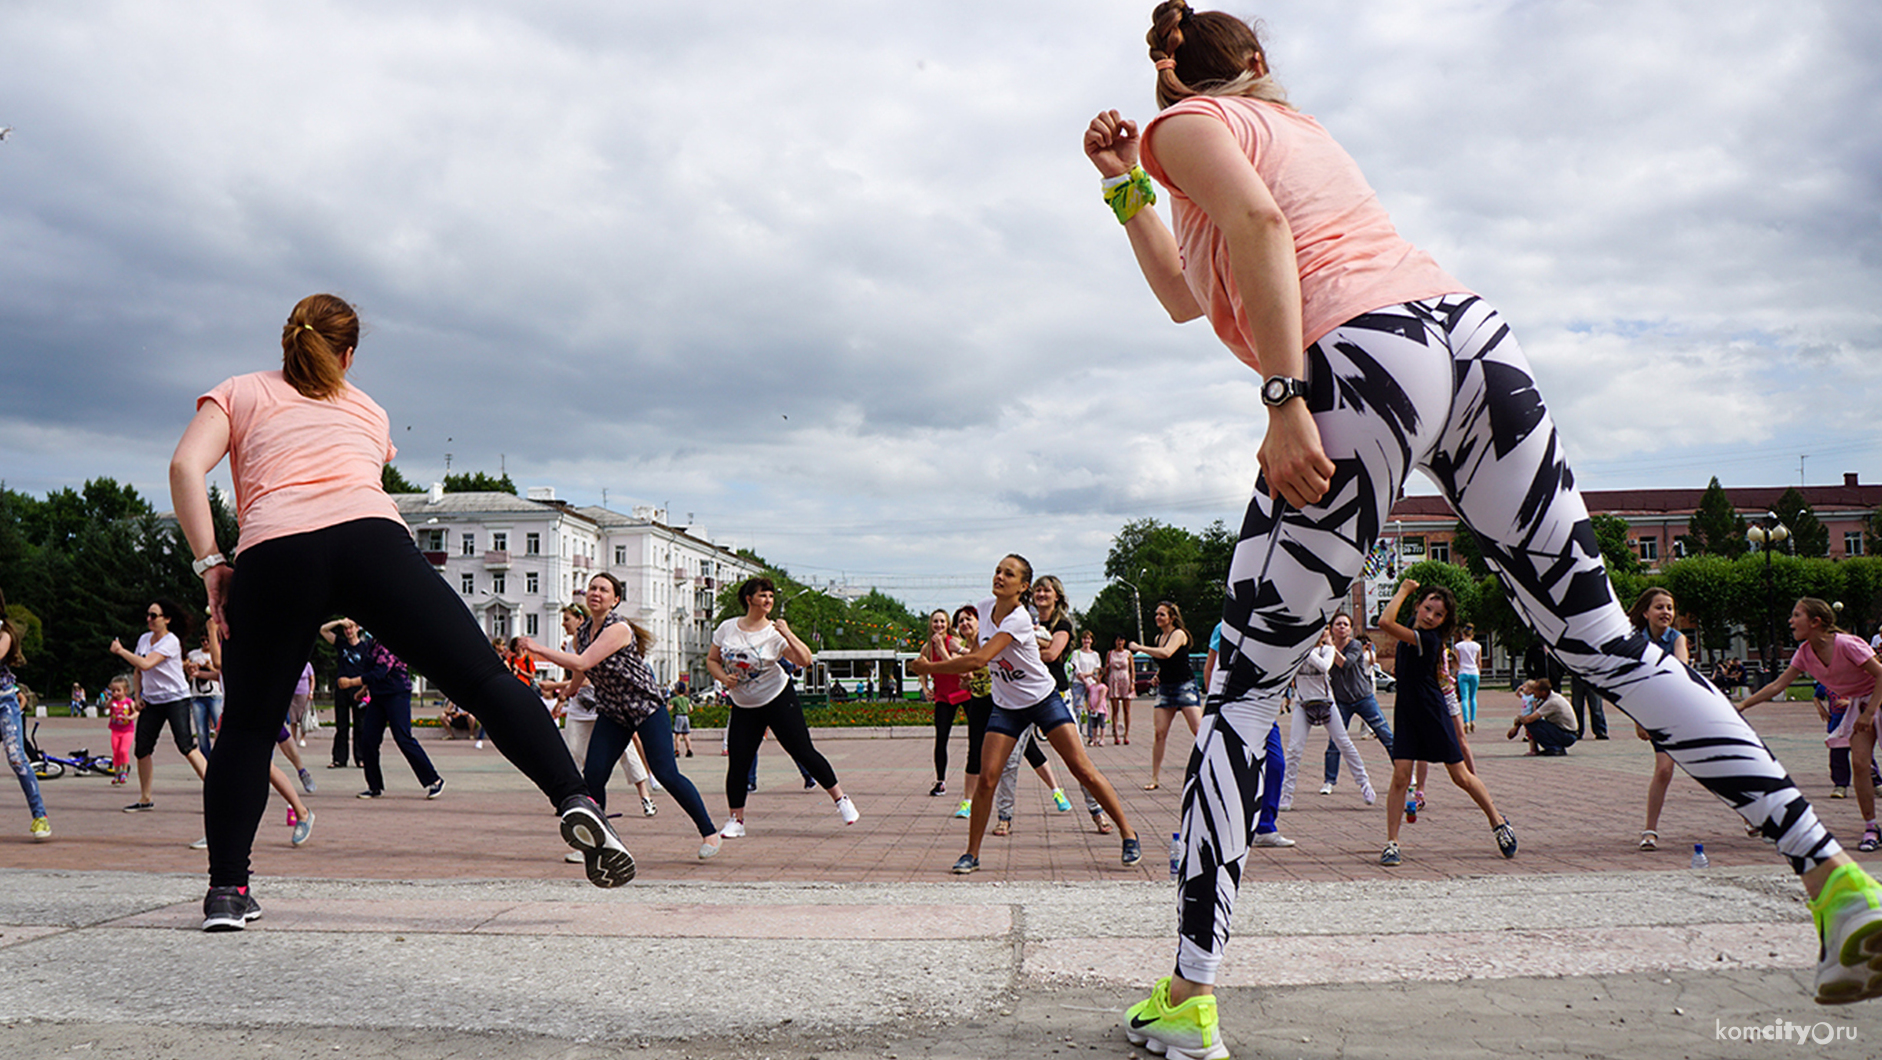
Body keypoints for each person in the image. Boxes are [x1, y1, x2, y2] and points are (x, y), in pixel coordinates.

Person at [1088, 7, 1882, 1044]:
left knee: (1241, 687)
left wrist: (1286, 397)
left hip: (1356, 354)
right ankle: (1832, 874)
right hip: (1469, 338)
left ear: (1196, 77)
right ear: (1260, 62)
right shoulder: (1290, 134)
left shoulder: (1190, 121)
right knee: (1599, 637)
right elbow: (1191, 295)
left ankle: (1188, 994)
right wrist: (1123, 187)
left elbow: (1262, 235)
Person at [168, 293, 632, 931]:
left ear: (286, 342)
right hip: (371, 541)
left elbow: (186, 466)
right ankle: (575, 797)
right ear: (349, 354)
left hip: (276, 553)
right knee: (484, 681)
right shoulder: (367, 410)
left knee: (247, 727)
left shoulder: (240, 391)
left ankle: (227, 891)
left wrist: (210, 562)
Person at [911, 556, 1139, 873]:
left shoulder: (1018, 618)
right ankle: (971, 854)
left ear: (1023, 586)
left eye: (1009, 574)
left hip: (1043, 699)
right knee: (988, 778)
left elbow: (980, 659)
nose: (1000, 577)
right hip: (1006, 707)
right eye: (997, 571)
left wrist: (930, 668)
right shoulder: (983, 608)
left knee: (1081, 769)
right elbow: (975, 652)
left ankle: (1128, 834)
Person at [523, 574, 722, 862]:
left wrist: (538, 648)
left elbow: (582, 662)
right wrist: (565, 692)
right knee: (593, 776)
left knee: (666, 773)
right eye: (592, 588)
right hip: (613, 712)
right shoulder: (582, 634)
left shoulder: (618, 628)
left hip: (645, 708)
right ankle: (596, 844)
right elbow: (581, 672)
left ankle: (710, 833)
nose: (596, 593)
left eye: (604, 590)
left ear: (615, 599)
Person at [1377, 580, 1515, 868]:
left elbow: (1384, 622)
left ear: (1443, 621)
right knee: (1401, 776)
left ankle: (1498, 821)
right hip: (1406, 711)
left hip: (1431, 711)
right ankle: (1392, 842)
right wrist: (1407, 598)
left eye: (1438, 615)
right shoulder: (1413, 626)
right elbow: (1393, 620)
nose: (1430, 616)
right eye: (1427, 608)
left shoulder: (1425, 639)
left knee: (1460, 776)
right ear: (1418, 607)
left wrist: (1403, 590)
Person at [707, 576, 857, 836]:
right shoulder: (727, 628)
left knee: (803, 751)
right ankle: (736, 821)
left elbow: (805, 659)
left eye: (771, 596)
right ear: (749, 598)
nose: (768, 600)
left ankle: (841, 799)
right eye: (763, 595)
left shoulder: (774, 633)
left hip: (778, 698)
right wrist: (723, 678)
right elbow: (711, 660)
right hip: (744, 705)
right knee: (739, 762)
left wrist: (787, 632)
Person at [1739, 598, 1882, 854]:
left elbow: (1881, 673)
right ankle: (1871, 827)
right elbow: (1777, 686)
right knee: (1860, 765)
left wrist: (1870, 711)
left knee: (1862, 764)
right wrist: (1741, 706)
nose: (1790, 621)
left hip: (1875, 701)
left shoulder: (1846, 644)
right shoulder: (1805, 652)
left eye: (1796, 615)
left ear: (1815, 622)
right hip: (1861, 706)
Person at [994, 575, 1106, 832]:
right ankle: (1005, 816)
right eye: (1038, 590)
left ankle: (1097, 811)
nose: (1041, 594)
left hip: (1056, 696)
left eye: (1047, 590)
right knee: (1010, 759)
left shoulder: (1062, 623)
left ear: (1057, 595)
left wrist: (1027, 645)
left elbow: (1052, 654)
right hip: (1023, 697)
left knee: (1078, 759)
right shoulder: (1023, 619)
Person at [110, 597, 208, 813]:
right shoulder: (145, 639)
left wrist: (120, 651)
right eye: (148, 615)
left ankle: (216, 793)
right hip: (152, 701)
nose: (149, 619)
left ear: (167, 620)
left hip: (175, 699)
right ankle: (145, 798)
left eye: (154, 616)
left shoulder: (170, 641)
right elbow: (138, 670)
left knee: (186, 746)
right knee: (142, 749)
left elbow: (146, 662)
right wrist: (137, 697)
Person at [1205, 621, 1292, 847]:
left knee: (1275, 764)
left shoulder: (1270, 622)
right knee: (1231, 767)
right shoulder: (1225, 626)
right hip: (1231, 706)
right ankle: (1225, 827)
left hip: (1262, 707)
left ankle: (1265, 827)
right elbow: (1211, 666)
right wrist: (1213, 705)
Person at [1278, 626, 1371, 809]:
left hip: (1327, 703)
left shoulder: (1327, 650)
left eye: (1324, 630)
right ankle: (1286, 794)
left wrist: (1304, 651)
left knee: (1343, 742)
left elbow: (1324, 666)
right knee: (1294, 749)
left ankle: (1364, 784)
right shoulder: (1296, 653)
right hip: (1303, 705)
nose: (1322, 633)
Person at [348, 633, 444, 801]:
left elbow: (380, 671)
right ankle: (374, 786)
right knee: (368, 740)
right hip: (378, 696)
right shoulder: (372, 643)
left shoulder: (390, 643)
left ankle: (433, 779)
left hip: (396, 694)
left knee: (403, 737)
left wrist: (350, 682)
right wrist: (364, 689)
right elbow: (369, 669)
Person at [1629, 587, 1687, 851]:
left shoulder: (1678, 639)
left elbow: (1679, 671)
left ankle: (1748, 817)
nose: (1666, 612)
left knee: (1712, 768)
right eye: (1660, 607)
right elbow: (1631, 686)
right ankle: (1649, 831)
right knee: (1664, 770)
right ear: (1645, 613)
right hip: (1658, 714)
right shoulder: (1635, 642)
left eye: (1670, 608)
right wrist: (1639, 720)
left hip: (1687, 709)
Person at [1131, 601, 1199, 790]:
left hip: (1184, 686)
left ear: (1172, 618)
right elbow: (1165, 662)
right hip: (1166, 689)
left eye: (1162, 614)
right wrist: (1157, 675)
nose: (1157, 617)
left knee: (1199, 731)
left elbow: (1167, 653)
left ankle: (1211, 770)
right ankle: (1154, 777)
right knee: (1160, 733)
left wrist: (1139, 647)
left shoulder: (1179, 634)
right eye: (1156, 614)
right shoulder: (1159, 637)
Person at [1323, 613, 1391, 793]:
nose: (1342, 627)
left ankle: (1406, 773)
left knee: (1385, 734)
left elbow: (1345, 664)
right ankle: (1329, 781)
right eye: (1338, 624)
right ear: (1332, 628)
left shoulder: (1354, 645)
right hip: (1342, 702)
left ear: (1350, 628)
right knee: (1335, 741)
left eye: (1345, 624)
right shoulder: (1325, 648)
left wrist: (1330, 647)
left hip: (1363, 698)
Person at [0, 589, 49, 840]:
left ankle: (40, 816)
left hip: (4, 704)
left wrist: (16, 689)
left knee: (17, 758)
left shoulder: (5, 634)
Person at [918, 609, 970, 798]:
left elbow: (962, 663)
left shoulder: (953, 643)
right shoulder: (927, 648)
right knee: (941, 738)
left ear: (948, 624)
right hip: (943, 696)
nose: (938, 625)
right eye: (935, 622)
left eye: (942, 622)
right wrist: (925, 688)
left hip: (964, 693)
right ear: (931, 625)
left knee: (976, 737)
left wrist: (945, 649)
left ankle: (977, 778)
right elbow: (920, 669)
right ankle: (940, 781)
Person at [318, 618, 364, 768]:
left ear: (357, 629)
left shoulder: (365, 648)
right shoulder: (341, 644)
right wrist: (339, 622)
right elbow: (323, 630)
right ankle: (339, 758)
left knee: (360, 725)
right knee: (341, 726)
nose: (348, 631)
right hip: (342, 689)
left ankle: (361, 757)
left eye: (351, 628)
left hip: (358, 689)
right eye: (346, 629)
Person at [1508, 679, 1578, 756]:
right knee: (1534, 722)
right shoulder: (1548, 698)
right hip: (1563, 731)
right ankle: (1555, 747)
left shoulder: (1552, 701)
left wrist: (1517, 724)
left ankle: (1554, 748)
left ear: (1543, 692)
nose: (1532, 693)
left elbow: (1529, 719)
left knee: (1532, 723)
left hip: (1567, 735)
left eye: (1535, 691)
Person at [183, 627, 224, 755]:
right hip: (197, 695)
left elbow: (220, 672)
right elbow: (188, 671)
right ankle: (206, 762)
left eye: (208, 640)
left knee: (220, 728)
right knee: (201, 732)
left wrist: (208, 666)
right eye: (203, 640)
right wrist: (191, 668)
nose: (206, 643)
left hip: (215, 695)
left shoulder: (218, 653)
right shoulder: (194, 654)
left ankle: (221, 757)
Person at [105, 676, 136, 784]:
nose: (116, 693)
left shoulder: (129, 702)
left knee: (123, 750)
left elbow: (136, 712)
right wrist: (111, 699)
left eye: (118, 690)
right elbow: (106, 706)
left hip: (127, 730)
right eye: (113, 691)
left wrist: (130, 717)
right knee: (116, 752)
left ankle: (124, 771)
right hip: (115, 730)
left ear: (125, 691)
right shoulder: (113, 701)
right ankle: (116, 773)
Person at [1104, 635, 1135, 744]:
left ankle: (1126, 734)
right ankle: (1116, 734)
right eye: (1118, 640)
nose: (1120, 642)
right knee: (1115, 710)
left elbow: (1132, 669)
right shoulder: (1110, 653)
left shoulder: (1128, 654)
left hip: (1125, 680)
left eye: (1121, 640)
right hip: (1114, 680)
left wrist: (1133, 683)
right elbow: (1106, 669)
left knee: (1127, 709)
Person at [1452, 625, 1481, 734]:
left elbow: (1457, 661)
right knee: (1473, 698)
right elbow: (1479, 662)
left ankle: (1466, 722)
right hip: (1474, 672)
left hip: (1463, 672)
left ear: (1462, 635)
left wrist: (1455, 673)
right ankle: (1473, 720)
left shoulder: (1458, 646)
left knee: (1464, 698)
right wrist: (1479, 672)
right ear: (1472, 635)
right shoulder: (1477, 646)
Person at [669, 683, 695, 758]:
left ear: (676, 690)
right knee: (686, 735)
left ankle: (677, 750)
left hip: (678, 717)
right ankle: (689, 750)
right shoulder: (686, 699)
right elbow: (691, 709)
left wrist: (669, 703)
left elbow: (669, 709)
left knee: (677, 735)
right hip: (685, 717)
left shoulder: (675, 699)